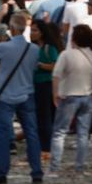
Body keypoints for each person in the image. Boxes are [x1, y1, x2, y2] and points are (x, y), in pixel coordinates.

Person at [0, 12, 42, 184]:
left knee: (3, 135)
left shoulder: (2, 47)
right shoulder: (34, 49)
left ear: (11, 28)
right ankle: (36, 171)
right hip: (27, 93)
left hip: (6, 94)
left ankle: (1, 172)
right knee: (32, 133)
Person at [48, 25, 92, 177]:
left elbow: (56, 75)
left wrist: (55, 94)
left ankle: (54, 168)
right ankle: (79, 168)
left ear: (73, 38)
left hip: (69, 96)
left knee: (59, 132)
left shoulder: (66, 55)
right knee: (83, 134)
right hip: (88, 97)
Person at [31, 21, 61, 157]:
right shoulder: (33, 47)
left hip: (47, 84)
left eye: (35, 30)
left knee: (45, 116)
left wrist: (40, 65)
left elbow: (55, 66)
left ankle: (47, 147)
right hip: (35, 84)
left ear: (42, 33)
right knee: (40, 116)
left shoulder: (49, 48)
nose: (32, 33)